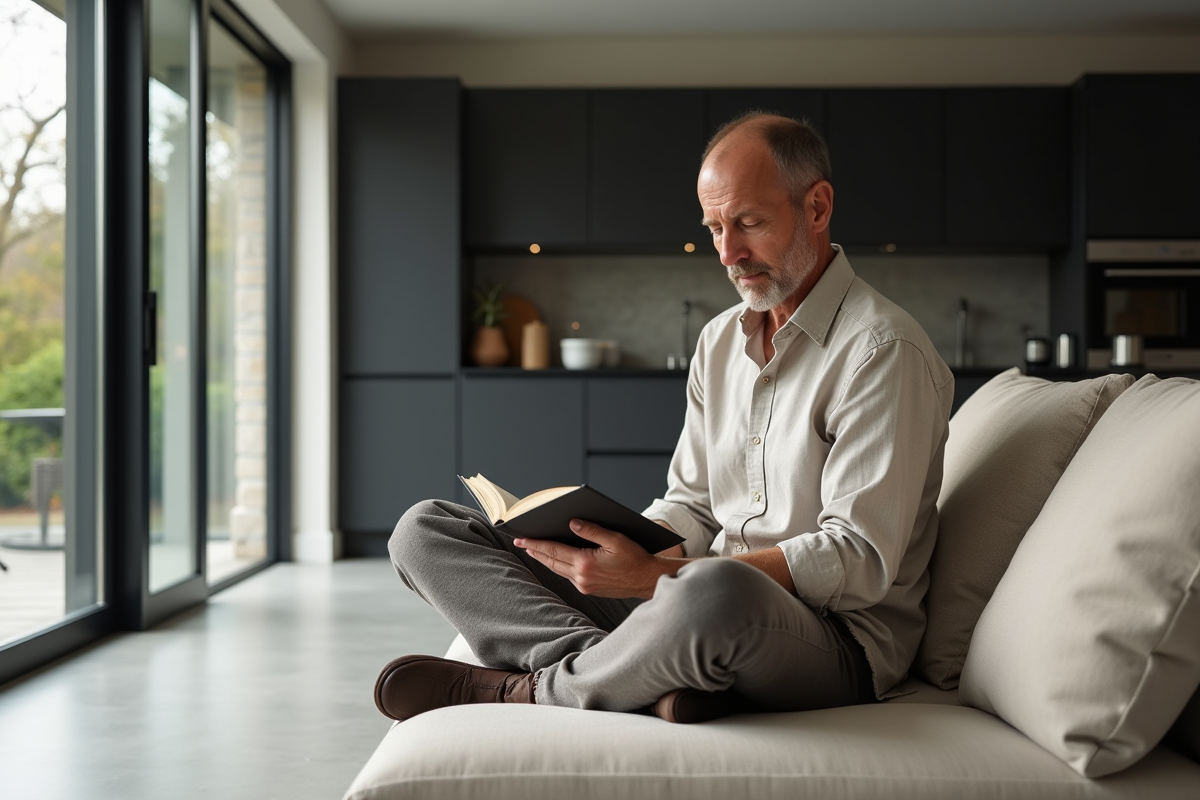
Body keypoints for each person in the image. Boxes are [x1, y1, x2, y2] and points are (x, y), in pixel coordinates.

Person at [375, 112, 954, 724]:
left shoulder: (883, 351)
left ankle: (529, 690)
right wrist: (620, 550)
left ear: (816, 206)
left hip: (832, 639)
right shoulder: (718, 341)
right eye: (713, 228)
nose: (728, 253)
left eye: (749, 223)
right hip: (688, 597)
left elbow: (858, 558)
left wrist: (659, 579)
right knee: (424, 530)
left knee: (716, 592)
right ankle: (623, 673)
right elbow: (694, 505)